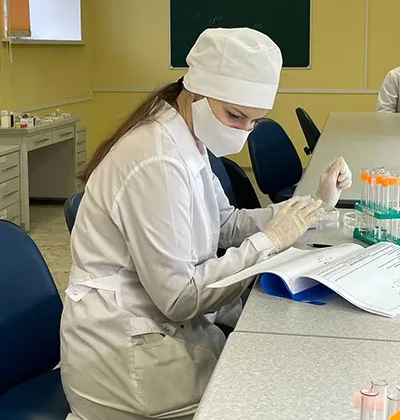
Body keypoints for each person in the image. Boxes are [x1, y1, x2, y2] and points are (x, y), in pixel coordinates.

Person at [61, 28, 352, 420]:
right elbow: (179, 299)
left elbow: (225, 223)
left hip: (165, 335)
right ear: (196, 92)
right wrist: (269, 242)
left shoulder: (188, 137)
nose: (242, 132)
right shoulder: (157, 159)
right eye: (234, 115)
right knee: (278, 400)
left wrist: (314, 207)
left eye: (254, 121)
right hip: (125, 358)